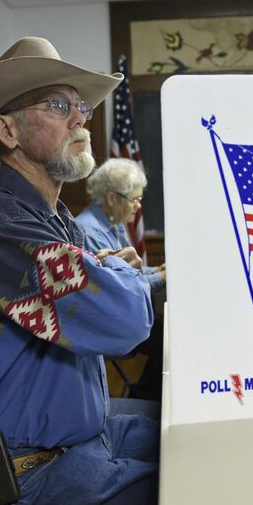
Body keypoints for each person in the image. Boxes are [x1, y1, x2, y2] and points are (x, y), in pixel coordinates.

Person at [0, 37, 160, 505]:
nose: (80, 121)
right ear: (7, 131)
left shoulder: (50, 216)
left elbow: (102, 293)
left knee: (198, 438)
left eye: (80, 107)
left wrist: (105, 271)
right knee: (206, 496)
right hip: (33, 479)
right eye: (59, 106)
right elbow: (126, 322)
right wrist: (117, 271)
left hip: (82, 439)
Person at [77, 158, 166, 399]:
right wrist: (161, 277)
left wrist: (158, 271)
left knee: (165, 332)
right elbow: (118, 289)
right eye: (134, 200)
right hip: (106, 321)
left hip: (118, 313)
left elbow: (131, 272)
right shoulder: (90, 232)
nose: (138, 206)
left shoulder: (112, 223)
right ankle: (145, 399)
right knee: (166, 337)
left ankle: (145, 395)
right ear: (112, 198)